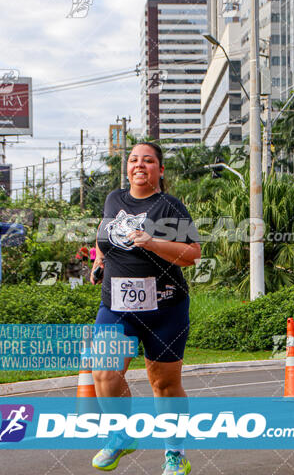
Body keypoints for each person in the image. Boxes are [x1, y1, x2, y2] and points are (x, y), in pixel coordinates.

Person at [90, 142, 200, 474]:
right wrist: (98, 263)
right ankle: (121, 436)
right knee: (105, 373)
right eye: (134, 159)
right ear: (127, 168)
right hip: (117, 306)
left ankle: (175, 454)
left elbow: (193, 254)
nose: (140, 165)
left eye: (148, 161)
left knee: (164, 384)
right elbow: (104, 237)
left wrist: (151, 242)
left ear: (160, 170)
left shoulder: (170, 206)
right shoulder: (114, 199)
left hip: (165, 308)